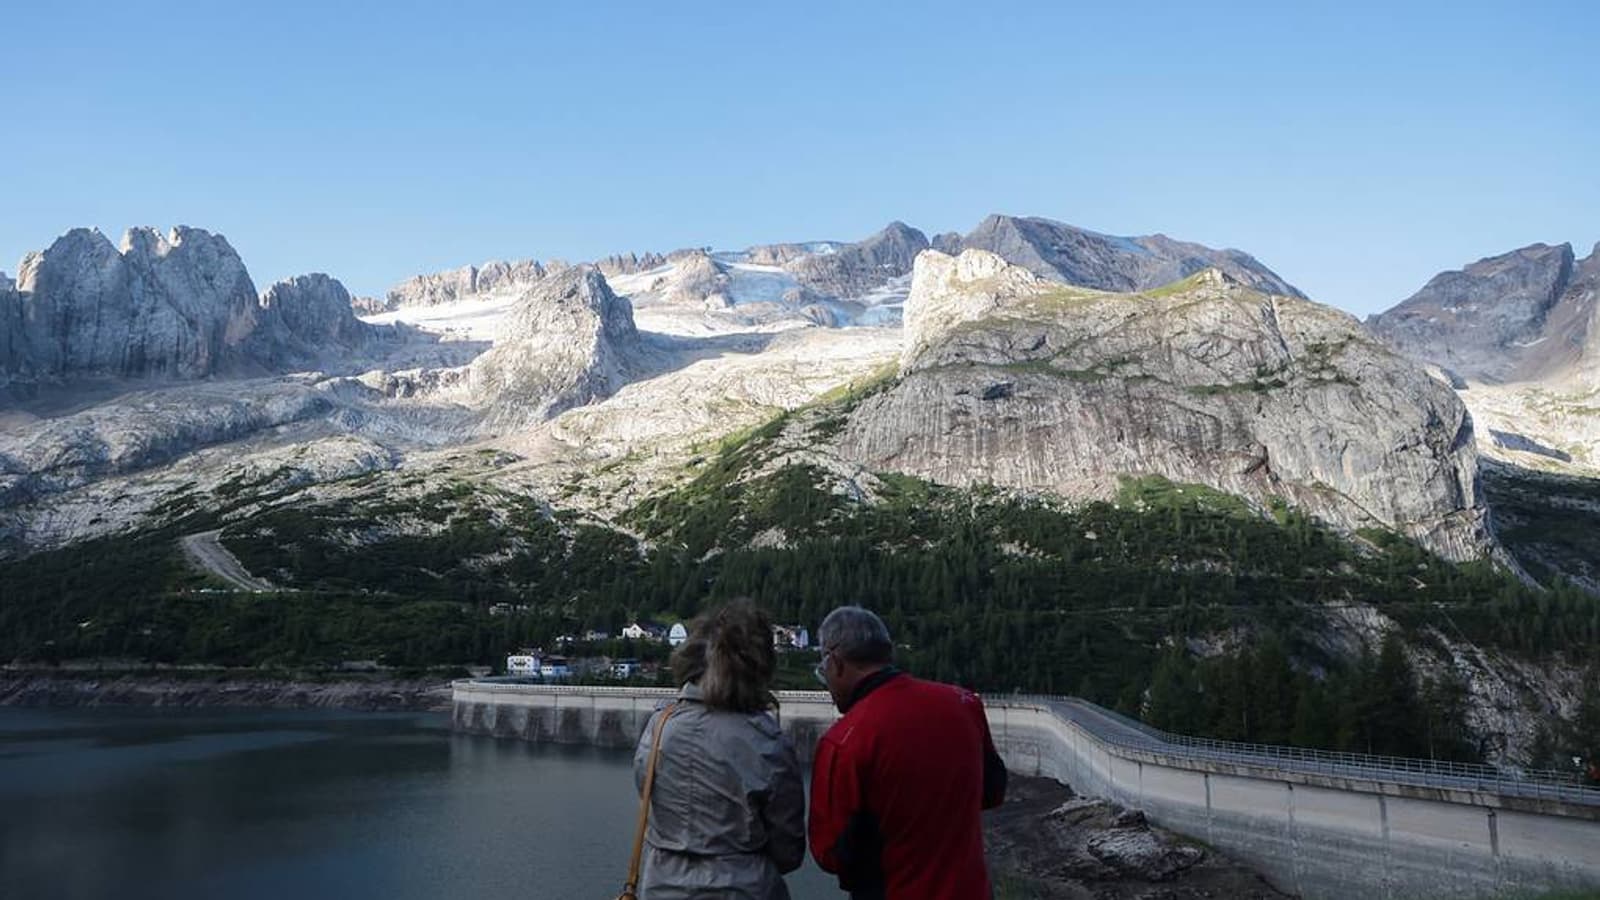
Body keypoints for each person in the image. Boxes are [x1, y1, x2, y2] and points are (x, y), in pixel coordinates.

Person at [809, 606, 1008, 900]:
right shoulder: (964, 703)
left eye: (823, 671)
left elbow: (831, 854)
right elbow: (993, 791)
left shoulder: (844, 741)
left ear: (836, 663)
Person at [632, 600, 807, 899]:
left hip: (661, 887)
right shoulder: (767, 741)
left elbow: (648, 801)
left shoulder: (659, 727)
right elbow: (788, 851)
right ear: (758, 667)